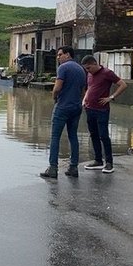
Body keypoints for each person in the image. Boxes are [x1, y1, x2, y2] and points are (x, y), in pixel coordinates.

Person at [40, 46, 87, 179]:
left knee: (55, 137)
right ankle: (73, 167)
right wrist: (78, 102)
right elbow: (83, 91)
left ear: (68, 55)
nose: (58, 57)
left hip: (63, 106)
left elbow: (57, 88)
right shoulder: (81, 69)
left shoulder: (63, 68)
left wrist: (54, 98)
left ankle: (53, 168)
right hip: (76, 107)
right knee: (73, 136)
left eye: (60, 54)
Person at [80, 55, 127, 174]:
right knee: (93, 135)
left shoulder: (107, 73)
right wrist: (84, 100)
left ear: (95, 63)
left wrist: (111, 97)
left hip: (102, 110)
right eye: (86, 69)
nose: (88, 71)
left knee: (104, 135)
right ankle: (98, 160)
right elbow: (89, 88)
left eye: (89, 68)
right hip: (89, 108)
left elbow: (123, 84)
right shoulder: (89, 74)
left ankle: (109, 163)